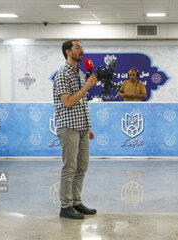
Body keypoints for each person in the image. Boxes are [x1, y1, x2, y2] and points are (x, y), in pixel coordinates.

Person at [53, 39, 98, 220]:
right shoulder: (62, 74)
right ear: (68, 52)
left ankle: (76, 202)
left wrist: (88, 127)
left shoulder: (80, 73)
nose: (82, 50)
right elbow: (69, 102)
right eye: (77, 47)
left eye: (82, 47)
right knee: (69, 167)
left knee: (82, 167)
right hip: (69, 127)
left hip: (82, 127)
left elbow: (82, 103)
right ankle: (65, 206)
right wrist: (87, 86)